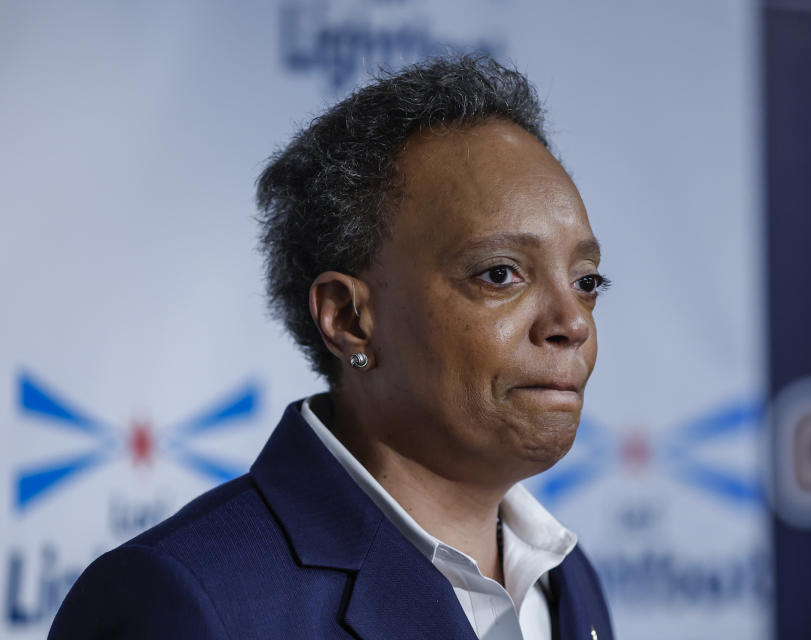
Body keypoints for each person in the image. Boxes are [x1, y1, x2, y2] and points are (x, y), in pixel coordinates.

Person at [50, 55, 614, 640]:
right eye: (500, 274)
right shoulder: (182, 601)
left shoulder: (569, 581)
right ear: (348, 318)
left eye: (586, 281)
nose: (572, 322)